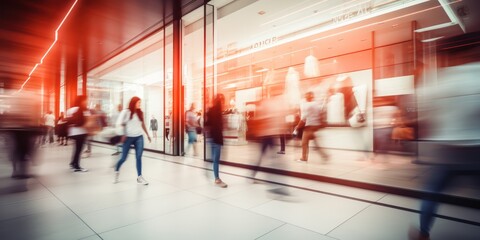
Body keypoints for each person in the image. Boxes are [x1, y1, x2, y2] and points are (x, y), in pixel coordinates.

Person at [410, 48, 480, 240]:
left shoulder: (441, 81)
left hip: (447, 149)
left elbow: (425, 116)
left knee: (432, 192)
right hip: (477, 148)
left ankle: (423, 233)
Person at [114, 96, 151, 185]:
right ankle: (117, 171)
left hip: (139, 137)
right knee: (123, 158)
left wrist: (147, 134)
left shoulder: (140, 113)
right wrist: (123, 134)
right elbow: (120, 123)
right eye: (139, 103)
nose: (140, 104)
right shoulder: (126, 112)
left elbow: (142, 124)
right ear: (134, 103)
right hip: (128, 138)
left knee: (138, 157)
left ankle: (139, 177)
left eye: (140, 103)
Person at [293, 91, 329, 162]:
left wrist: (297, 127)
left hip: (309, 126)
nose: (305, 97)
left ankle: (304, 158)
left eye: (306, 96)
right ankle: (324, 155)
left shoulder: (306, 106)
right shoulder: (316, 104)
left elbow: (303, 119)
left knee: (304, 143)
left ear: (307, 97)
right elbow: (320, 114)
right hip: (316, 126)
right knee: (316, 143)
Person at [205, 94, 227, 188]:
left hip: (211, 138)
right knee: (216, 159)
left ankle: (214, 175)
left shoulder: (210, 110)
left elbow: (206, 124)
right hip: (217, 138)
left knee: (214, 159)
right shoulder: (219, 112)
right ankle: (216, 178)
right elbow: (221, 127)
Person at [66, 95, 89, 172]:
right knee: (79, 150)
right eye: (85, 100)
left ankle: (73, 163)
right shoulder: (83, 110)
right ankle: (77, 166)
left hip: (73, 133)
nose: (86, 102)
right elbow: (87, 121)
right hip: (81, 132)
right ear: (82, 101)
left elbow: (68, 120)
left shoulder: (70, 110)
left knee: (76, 149)